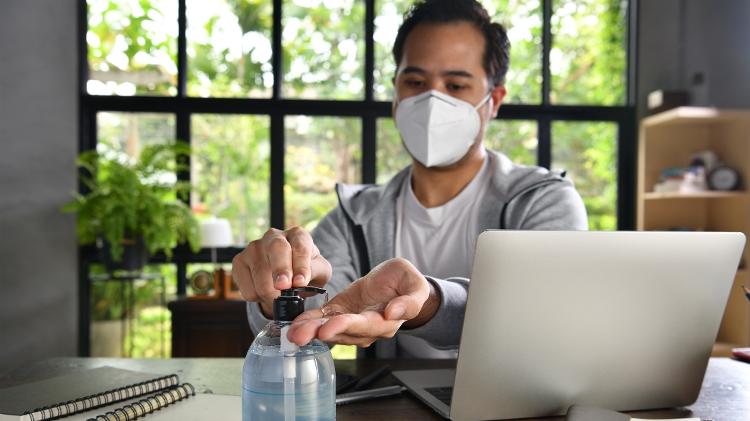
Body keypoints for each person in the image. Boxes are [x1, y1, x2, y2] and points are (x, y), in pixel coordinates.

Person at [232, 0, 588, 358]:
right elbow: (304, 321)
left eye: (456, 85)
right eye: (416, 82)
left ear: (493, 100)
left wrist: (430, 303)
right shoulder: (354, 217)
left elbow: (546, 318)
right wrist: (288, 288)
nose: (432, 100)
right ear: (396, 96)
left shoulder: (543, 202)